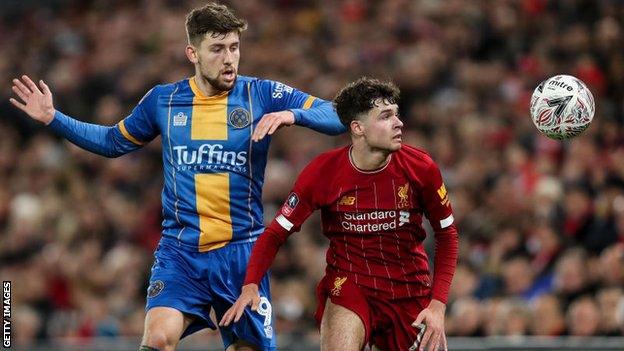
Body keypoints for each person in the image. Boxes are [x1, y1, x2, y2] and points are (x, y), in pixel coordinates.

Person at [9, 3, 345, 351]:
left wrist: (292, 114)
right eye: (217, 49)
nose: (229, 58)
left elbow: (337, 115)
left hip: (242, 254)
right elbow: (112, 141)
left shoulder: (260, 93)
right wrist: (53, 118)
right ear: (192, 53)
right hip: (181, 252)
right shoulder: (164, 101)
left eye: (234, 47)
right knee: (157, 339)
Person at [220, 77, 459, 351]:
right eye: (385, 116)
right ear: (357, 128)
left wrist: (438, 306)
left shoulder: (421, 167)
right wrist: (250, 285)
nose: (398, 123)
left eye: (396, 114)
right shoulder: (323, 172)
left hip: (409, 289)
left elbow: (447, 235)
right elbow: (275, 233)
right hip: (350, 285)